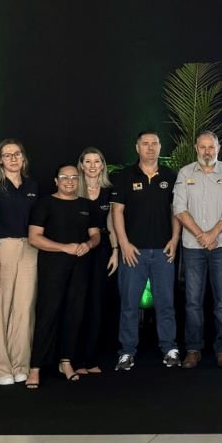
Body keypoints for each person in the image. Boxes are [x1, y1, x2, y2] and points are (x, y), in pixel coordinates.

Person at [111, 131, 180, 372]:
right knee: (129, 304)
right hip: (134, 252)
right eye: (145, 144)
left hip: (163, 251)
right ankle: (127, 352)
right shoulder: (124, 176)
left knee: (166, 303)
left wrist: (175, 239)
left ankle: (169, 348)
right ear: (137, 147)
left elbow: (176, 210)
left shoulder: (171, 176)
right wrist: (124, 243)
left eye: (154, 144)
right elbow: (117, 211)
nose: (150, 148)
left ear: (160, 147)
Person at [173, 131, 222, 368]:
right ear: (196, 148)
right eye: (202, 147)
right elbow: (179, 208)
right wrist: (201, 236)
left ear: (218, 148)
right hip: (193, 247)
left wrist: (212, 234)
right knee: (193, 301)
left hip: (221, 246)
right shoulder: (185, 173)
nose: (207, 151)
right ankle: (193, 349)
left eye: (211, 147)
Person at [28, 164, 101, 385]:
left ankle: (66, 361)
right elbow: (34, 237)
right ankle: (35, 367)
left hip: (80, 268)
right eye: (64, 177)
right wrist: (64, 248)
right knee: (47, 315)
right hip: (53, 267)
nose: (69, 181)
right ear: (56, 180)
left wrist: (89, 244)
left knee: (74, 314)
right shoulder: (45, 203)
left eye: (74, 177)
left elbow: (96, 234)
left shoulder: (86, 205)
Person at [0, 139, 40, 387]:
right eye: (7, 155)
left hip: (30, 247)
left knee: (25, 308)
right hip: (2, 247)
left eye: (17, 154)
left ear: (23, 157)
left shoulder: (32, 185)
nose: (13, 158)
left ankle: (21, 365)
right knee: (1, 307)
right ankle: (0, 366)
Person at [77, 146, 118, 374]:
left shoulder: (109, 191)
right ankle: (73, 359)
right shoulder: (73, 187)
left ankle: (91, 359)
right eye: (88, 161)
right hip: (77, 249)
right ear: (81, 165)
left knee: (96, 304)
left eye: (97, 161)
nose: (93, 166)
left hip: (102, 250)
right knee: (77, 303)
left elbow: (112, 222)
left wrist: (115, 250)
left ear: (103, 165)